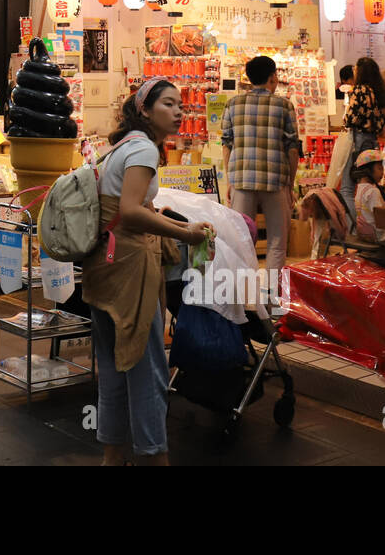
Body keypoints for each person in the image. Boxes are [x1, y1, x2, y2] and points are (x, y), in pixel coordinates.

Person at [86, 78, 215, 465]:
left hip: (103, 265)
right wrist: (185, 232)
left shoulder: (120, 145)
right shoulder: (143, 148)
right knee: (148, 372)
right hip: (129, 269)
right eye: (169, 104)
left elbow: (122, 206)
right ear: (144, 109)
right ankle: (154, 458)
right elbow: (129, 211)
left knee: (112, 372)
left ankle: (113, 458)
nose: (178, 111)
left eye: (181, 104)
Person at [221, 55, 299, 293]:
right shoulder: (284, 106)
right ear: (273, 77)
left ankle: (243, 295)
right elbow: (292, 148)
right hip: (275, 180)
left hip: (242, 178)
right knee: (277, 241)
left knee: (241, 239)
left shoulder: (233, 104)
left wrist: (230, 179)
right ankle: (272, 297)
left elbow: (226, 143)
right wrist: (290, 183)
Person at [336, 57, 385, 219]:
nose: (354, 71)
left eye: (355, 69)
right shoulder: (380, 92)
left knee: (347, 188)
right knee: (368, 186)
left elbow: (350, 119)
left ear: (361, 72)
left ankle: (352, 228)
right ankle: (369, 224)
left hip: (357, 140)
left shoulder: (360, 90)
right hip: (373, 142)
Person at [350, 149, 385, 249]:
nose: (382, 172)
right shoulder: (373, 191)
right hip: (379, 237)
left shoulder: (360, 188)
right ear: (367, 171)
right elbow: (381, 216)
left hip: (364, 234)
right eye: (379, 168)